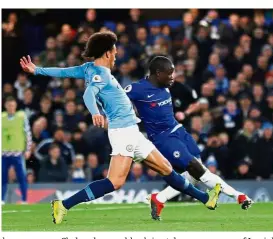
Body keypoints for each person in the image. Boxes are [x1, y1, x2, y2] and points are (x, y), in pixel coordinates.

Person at [20, 31, 220, 224]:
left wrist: (37, 70)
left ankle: (205, 198)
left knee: (166, 168)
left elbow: (63, 72)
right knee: (115, 182)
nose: (116, 55)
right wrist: (95, 112)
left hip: (132, 131)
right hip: (123, 132)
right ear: (107, 52)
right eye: (114, 51)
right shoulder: (101, 74)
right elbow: (88, 94)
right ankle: (63, 205)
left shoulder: (89, 68)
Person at [124, 56, 253, 219]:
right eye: (169, 73)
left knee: (193, 175)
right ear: (158, 73)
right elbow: (117, 98)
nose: (173, 77)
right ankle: (238, 196)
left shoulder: (167, 85)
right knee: (198, 171)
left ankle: (159, 198)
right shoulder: (138, 89)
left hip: (179, 130)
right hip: (163, 139)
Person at [2, 96, 32, 204]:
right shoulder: (2, 117)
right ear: (5, 106)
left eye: (12, 105)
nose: (10, 107)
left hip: (18, 153)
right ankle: (2, 199)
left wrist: (28, 149)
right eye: (9, 105)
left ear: (15, 106)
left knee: (21, 177)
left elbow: (27, 133)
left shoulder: (21, 116)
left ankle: (24, 199)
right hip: (3, 153)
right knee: (2, 177)